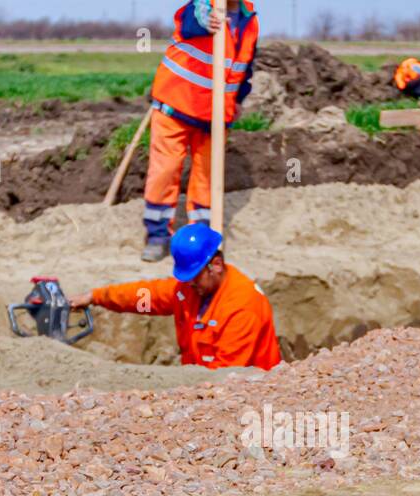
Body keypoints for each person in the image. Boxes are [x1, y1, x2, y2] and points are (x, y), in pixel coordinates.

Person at [141, 0, 259, 262]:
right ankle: (157, 235)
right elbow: (193, 21)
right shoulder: (201, 8)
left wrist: (238, 99)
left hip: (215, 116)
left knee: (208, 178)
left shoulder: (249, 19)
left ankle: (201, 236)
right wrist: (205, 19)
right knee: (166, 170)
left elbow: (245, 66)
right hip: (177, 105)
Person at [70, 224, 280, 371]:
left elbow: (227, 378)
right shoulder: (191, 289)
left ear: (215, 265)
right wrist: (95, 297)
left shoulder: (242, 307)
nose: (189, 284)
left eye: (194, 277)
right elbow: (145, 298)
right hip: (201, 385)